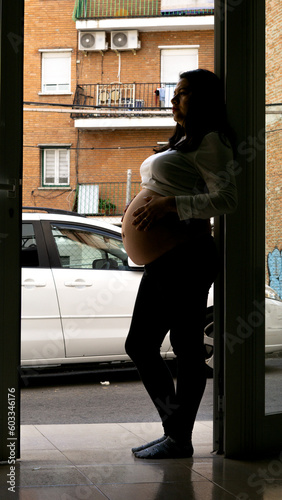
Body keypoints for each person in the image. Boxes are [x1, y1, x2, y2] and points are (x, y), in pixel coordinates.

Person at [122, 69, 238, 459]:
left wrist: (170, 204)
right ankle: (176, 434)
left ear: (204, 99)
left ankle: (178, 437)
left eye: (184, 93)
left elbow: (227, 200)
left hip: (186, 257)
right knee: (141, 345)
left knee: (184, 348)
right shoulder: (185, 143)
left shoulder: (212, 140)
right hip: (166, 259)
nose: (174, 99)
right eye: (175, 92)